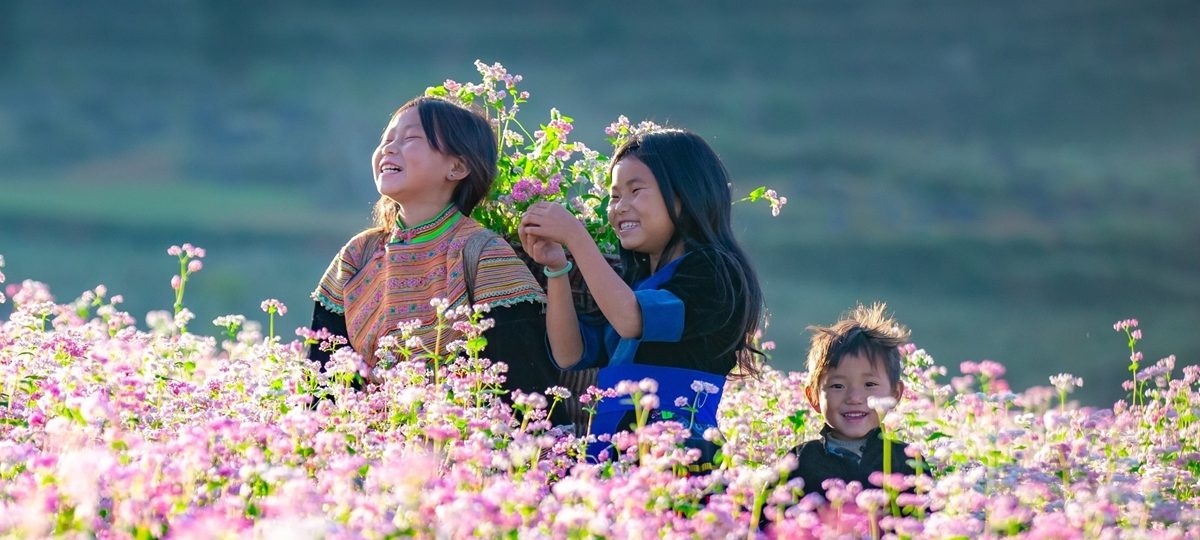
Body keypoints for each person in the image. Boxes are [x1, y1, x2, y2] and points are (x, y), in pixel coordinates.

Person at [518, 128, 765, 466]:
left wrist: (577, 236)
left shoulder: (715, 271)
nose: (620, 207)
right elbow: (569, 354)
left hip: (676, 456)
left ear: (684, 194)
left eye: (636, 191)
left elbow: (633, 319)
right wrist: (558, 269)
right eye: (614, 196)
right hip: (610, 453)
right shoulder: (633, 286)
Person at [308, 96, 562, 409]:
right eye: (387, 139)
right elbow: (321, 380)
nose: (389, 148)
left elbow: (521, 387)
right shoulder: (357, 255)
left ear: (458, 167)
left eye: (411, 138)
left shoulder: (485, 254)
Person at [787, 303, 918, 498]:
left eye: (870, 385)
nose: (855, 398)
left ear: (895, 394)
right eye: (838, 386)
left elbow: (927, 523)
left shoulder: (907, 460)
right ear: (813, 397)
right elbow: (767, 523)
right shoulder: (800, 460)